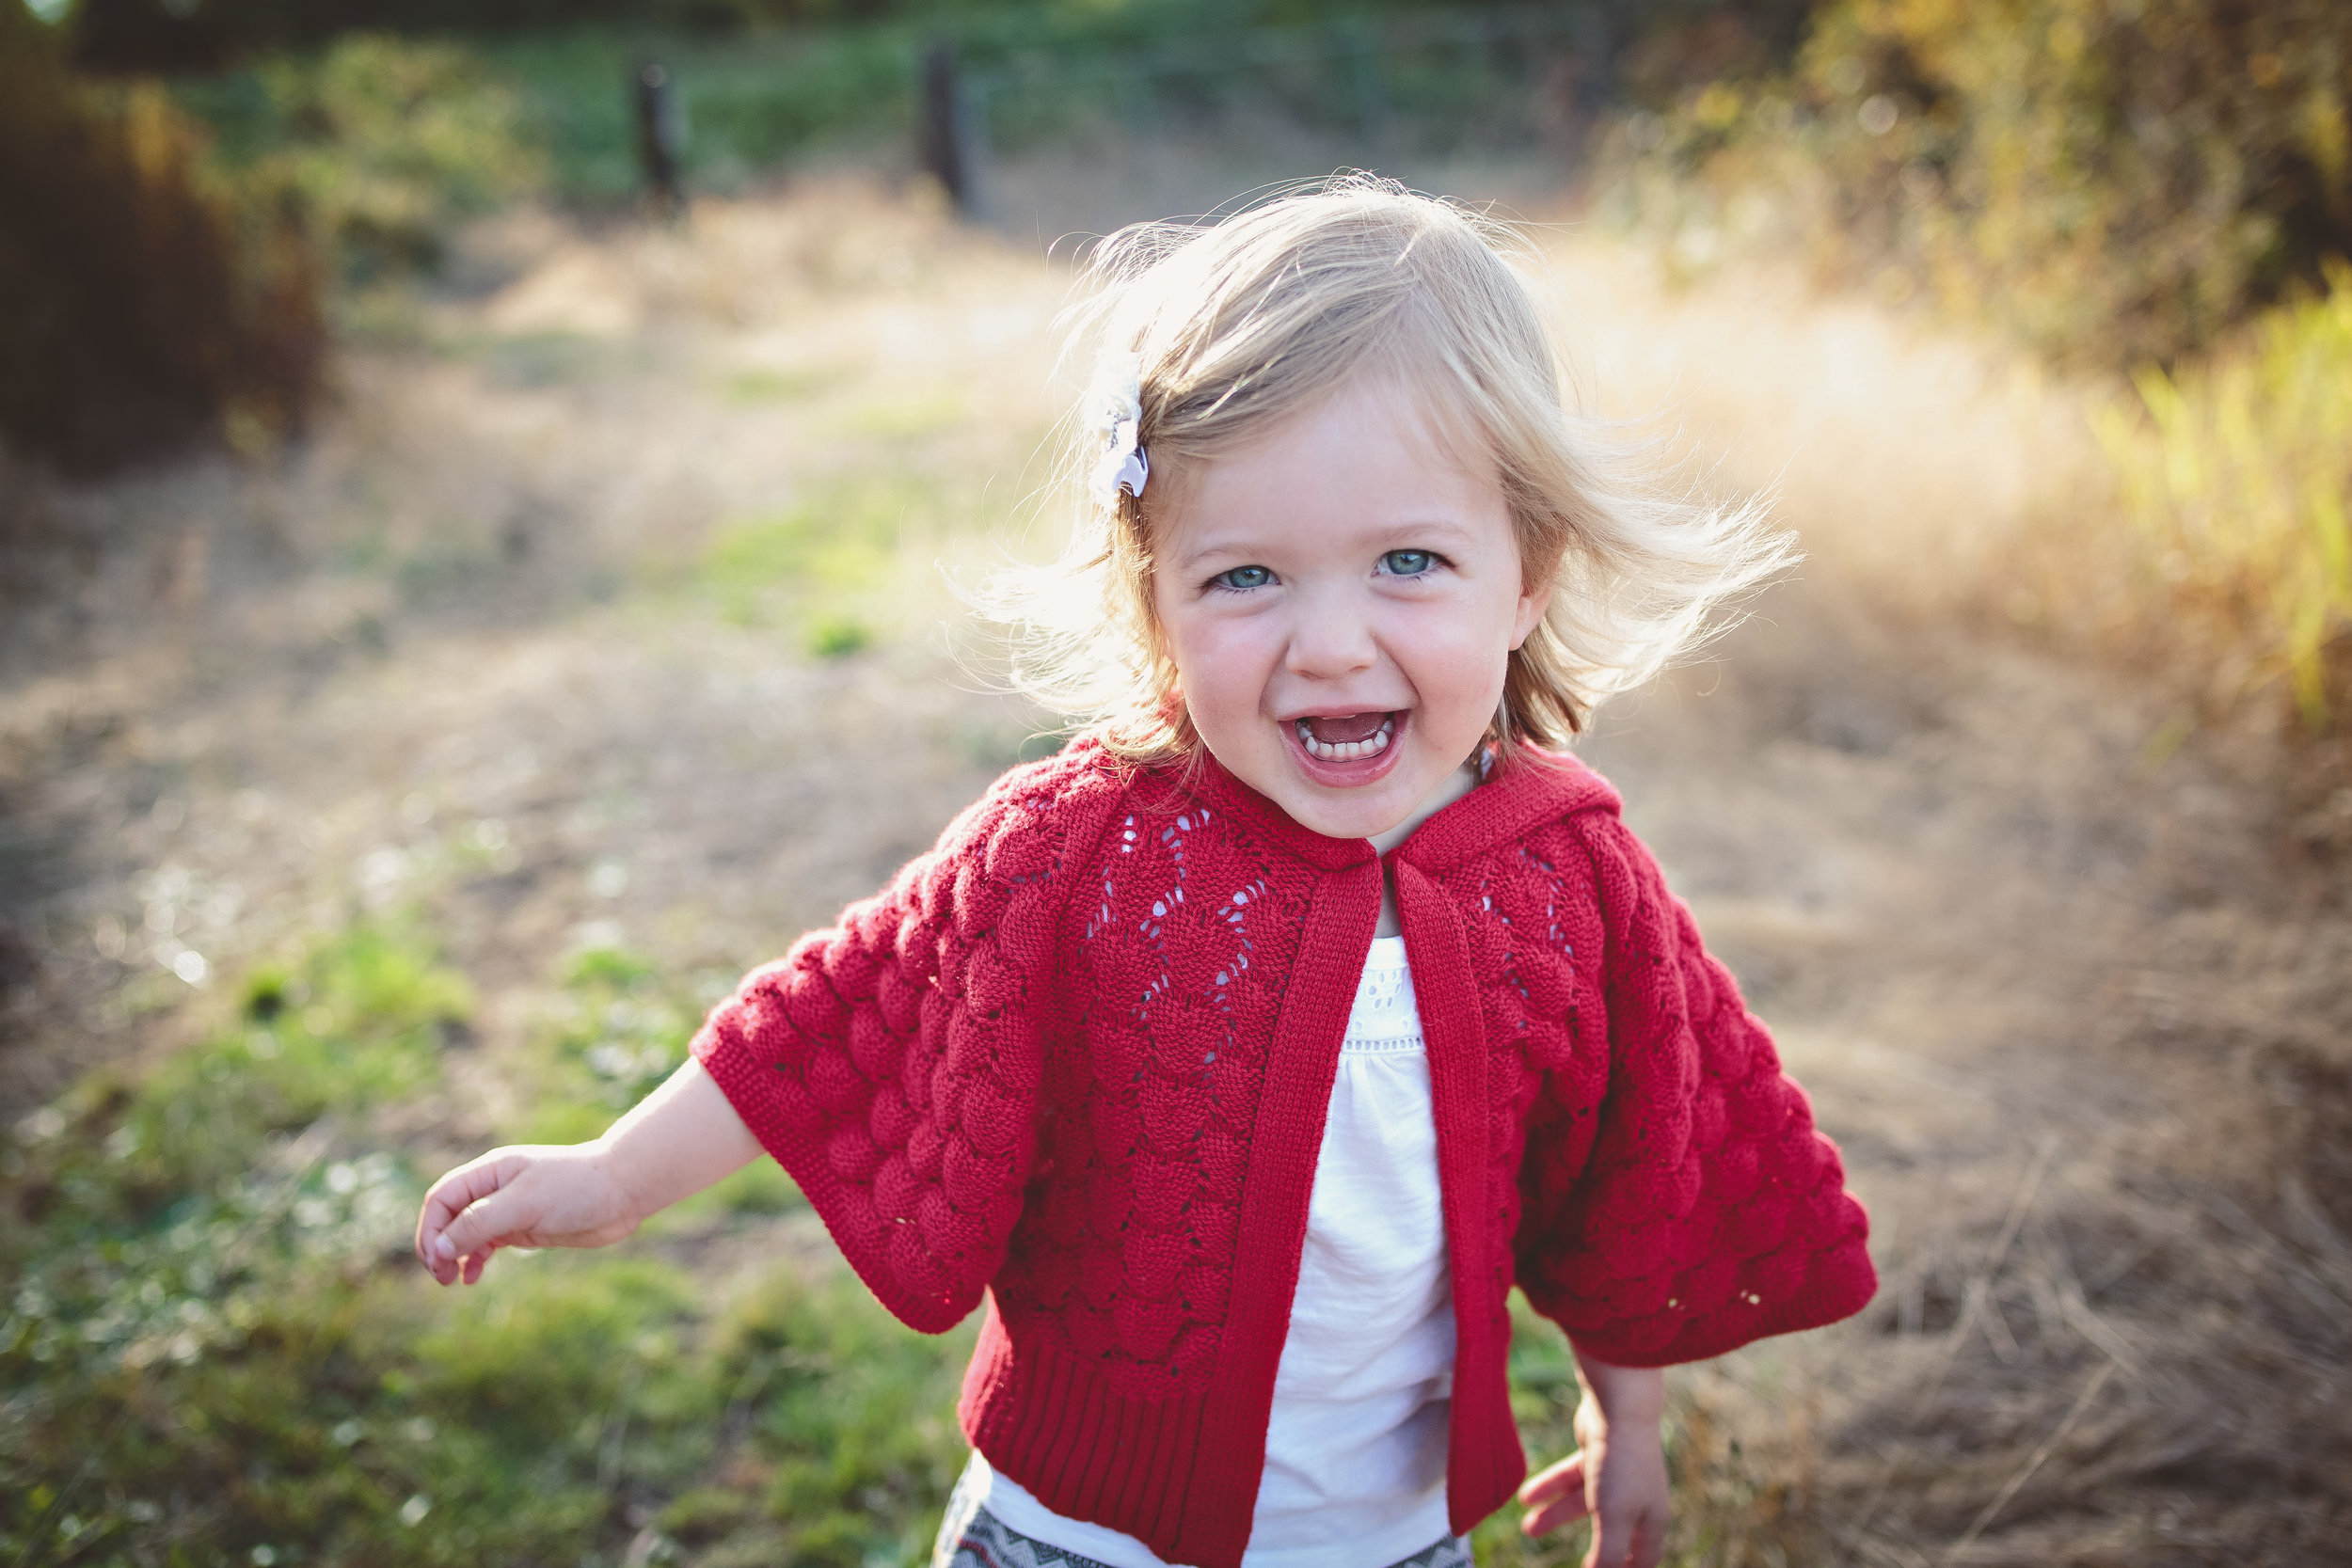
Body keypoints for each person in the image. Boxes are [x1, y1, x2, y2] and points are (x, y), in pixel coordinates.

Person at [413, 177, 1876, 1568]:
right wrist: (613, 1177)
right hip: (1070, 1530)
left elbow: (1631, 1178)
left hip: (1398, 1534)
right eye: (1245, 576)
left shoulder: (1571, 880)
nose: (1330, 642)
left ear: (1530, 570)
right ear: (1157, 603)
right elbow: (837, 1016)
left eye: (1408, 564)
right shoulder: (1088, 851)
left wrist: (1626, 1414)